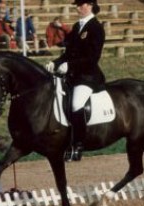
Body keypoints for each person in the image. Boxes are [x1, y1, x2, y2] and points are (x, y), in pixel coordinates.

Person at [46, 0, 105, 161]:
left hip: (88, 76)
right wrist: (56, 63)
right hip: (72, 75)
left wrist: (70, 66)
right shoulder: (77, 26)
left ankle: (79, 145)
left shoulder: (96, 28)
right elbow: (68, 53)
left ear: (90, 5)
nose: (78, 8)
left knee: (76, 104)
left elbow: (92, 58)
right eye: (77, 5)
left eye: (81, 4)